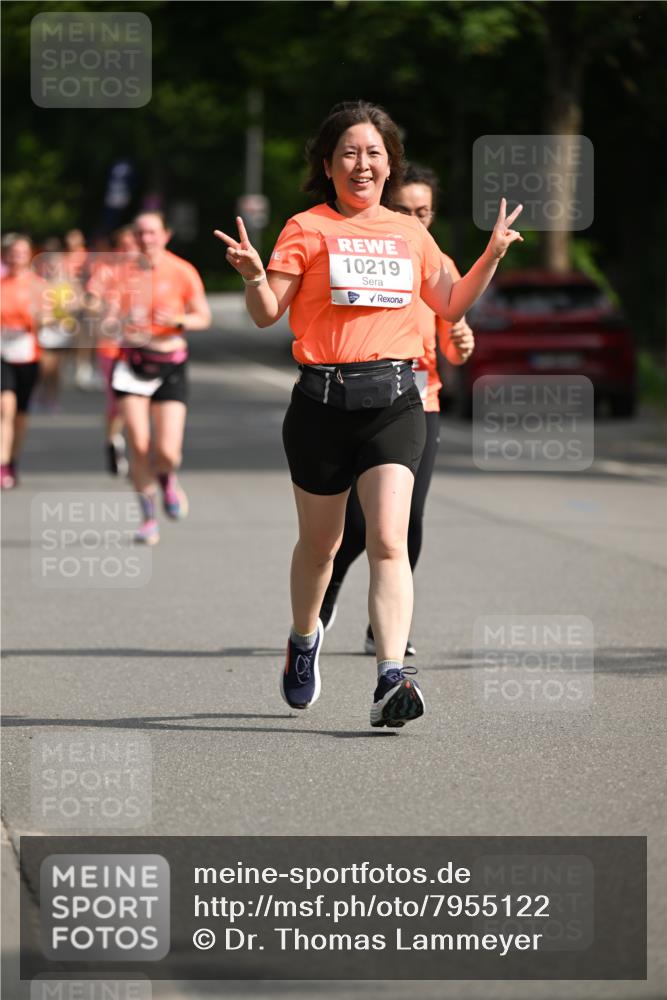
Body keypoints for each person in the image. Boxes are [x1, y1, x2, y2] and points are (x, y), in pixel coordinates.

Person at [215, 100, 522, 728]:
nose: (363, 164)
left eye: (374, 153)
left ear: (390, 164)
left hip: (396, 401)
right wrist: (252, 276)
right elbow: (268, 312)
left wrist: (491, 254)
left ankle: (390, 678)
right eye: (349, 153)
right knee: (321, 546)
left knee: (388, 539)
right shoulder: (306, 228)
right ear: (328, 165)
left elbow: (450, 301)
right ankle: (304, 640)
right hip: (321, 405)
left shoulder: (410, 233)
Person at [319, 162, 475, 656]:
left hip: (418, 401)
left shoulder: (440, 262)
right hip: (359, 396)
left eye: (423, 212)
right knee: (357, 524)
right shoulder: (363, 252)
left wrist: (461, 344)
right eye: (405, 210)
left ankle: (384, 627)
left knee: (409, 520)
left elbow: (451, 345)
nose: (415, 220)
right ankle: (326, 592)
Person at [111, 211, 211, 544]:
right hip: (132, 363)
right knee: (138, 443)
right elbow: (102, 314)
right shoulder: (120, 273)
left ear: (166, 235)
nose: (146, 239)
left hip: (171, 364)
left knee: (168, 452)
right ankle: (148, 519)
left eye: (152, 232)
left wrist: (179, 321)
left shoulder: (182, 271)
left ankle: (167, 476)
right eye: (140, 233)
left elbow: (203, 317)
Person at [85, 225, 139, 475]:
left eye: (133, 244)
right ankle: (113, 441)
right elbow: (91, 300)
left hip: (141, 347)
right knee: (117, 401)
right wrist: (102, 309)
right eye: (124, 245)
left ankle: (138, 449)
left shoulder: (149, 270)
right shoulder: (107, 269)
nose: (129, 249)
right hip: (112, 346)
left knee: (138, 400)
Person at [0, 234, 47, 489]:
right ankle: (2, 464)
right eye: (12, 253)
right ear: (4, 256)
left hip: (28, 356)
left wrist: (39, 318)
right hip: (2, 356)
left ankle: (13, 460)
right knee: (4, 407)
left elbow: (53, 319)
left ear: (29, 255)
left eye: (21, 253)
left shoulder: (38, 286)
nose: (16, 258)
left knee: (20, 414)